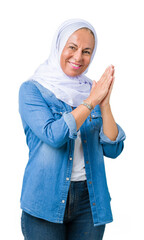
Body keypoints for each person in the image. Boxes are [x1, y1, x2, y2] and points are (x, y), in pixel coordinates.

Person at [19, 19, 126, 240]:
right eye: (72, 47)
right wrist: (90, 102)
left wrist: (104, 105)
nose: (78, 57)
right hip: (44, 200)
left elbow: (114, 149)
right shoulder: (32, 90)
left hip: (90, 200)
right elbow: (54, 135)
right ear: (59, 46)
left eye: (87, 51)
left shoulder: (91, 90)